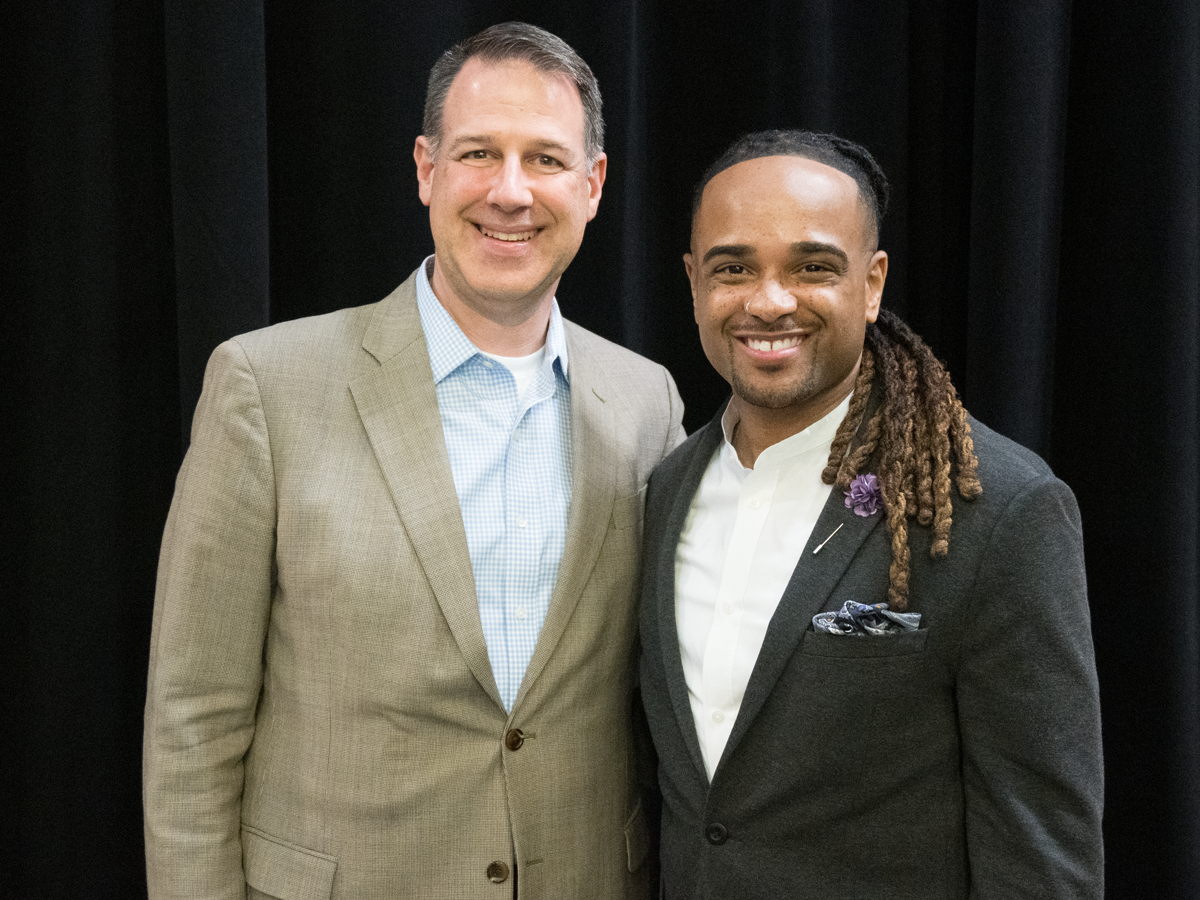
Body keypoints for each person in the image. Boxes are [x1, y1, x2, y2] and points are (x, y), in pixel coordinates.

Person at [144, 22, 683, 900]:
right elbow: (193, 716)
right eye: (479, 153)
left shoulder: (646, 402)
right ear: (427, 169)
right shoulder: (267, 387)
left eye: (545, 159)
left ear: (592, 186)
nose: (510, 191)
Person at [637, 130, 1103, 899]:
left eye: (812, 267)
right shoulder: (665, 489)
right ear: (694, 284)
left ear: (872, 282)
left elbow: (1042, 855)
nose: (769, 301)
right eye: (734, 268)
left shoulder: (998, 509)